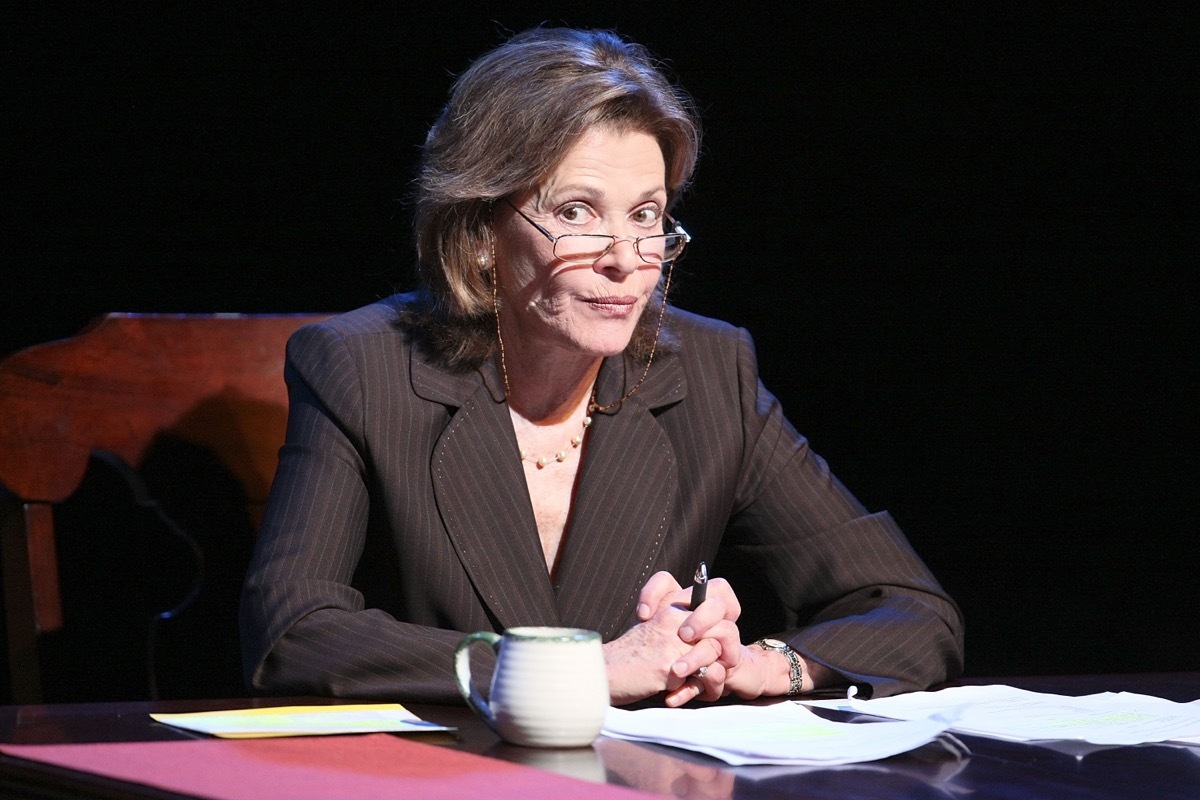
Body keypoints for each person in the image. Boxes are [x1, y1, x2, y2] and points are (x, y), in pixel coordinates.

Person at [240, 27, 964, 707]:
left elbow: (907, 608)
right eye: (579, 212)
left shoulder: (712, 372)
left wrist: (770, 664)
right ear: (482, 230)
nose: (626, 259)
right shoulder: (362, 368)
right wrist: (576, 671)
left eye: (647, 215)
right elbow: (294, 630)